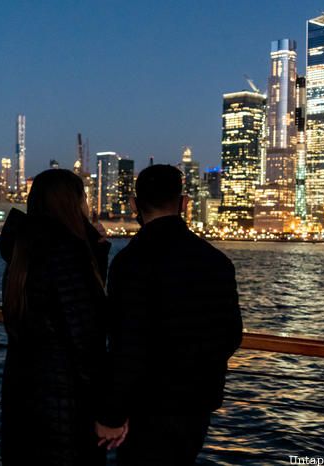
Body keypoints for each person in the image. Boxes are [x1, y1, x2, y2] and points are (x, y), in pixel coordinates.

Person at [96, 164, 242, 466]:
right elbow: (231, 335)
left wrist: (112, 414)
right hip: (196, 404)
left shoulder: (128, 263)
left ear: (134, 205)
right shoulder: (217, 262)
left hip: (146, 407)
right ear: (184, 203)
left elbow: (127, 346)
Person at [0, 169, 110, 466]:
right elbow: (86, 334)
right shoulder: (65, 251)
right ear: (70, 203)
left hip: (22, 397)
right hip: (63, 405)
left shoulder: (22, 251)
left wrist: (96, 253)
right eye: (83, 199)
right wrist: (107, 412)